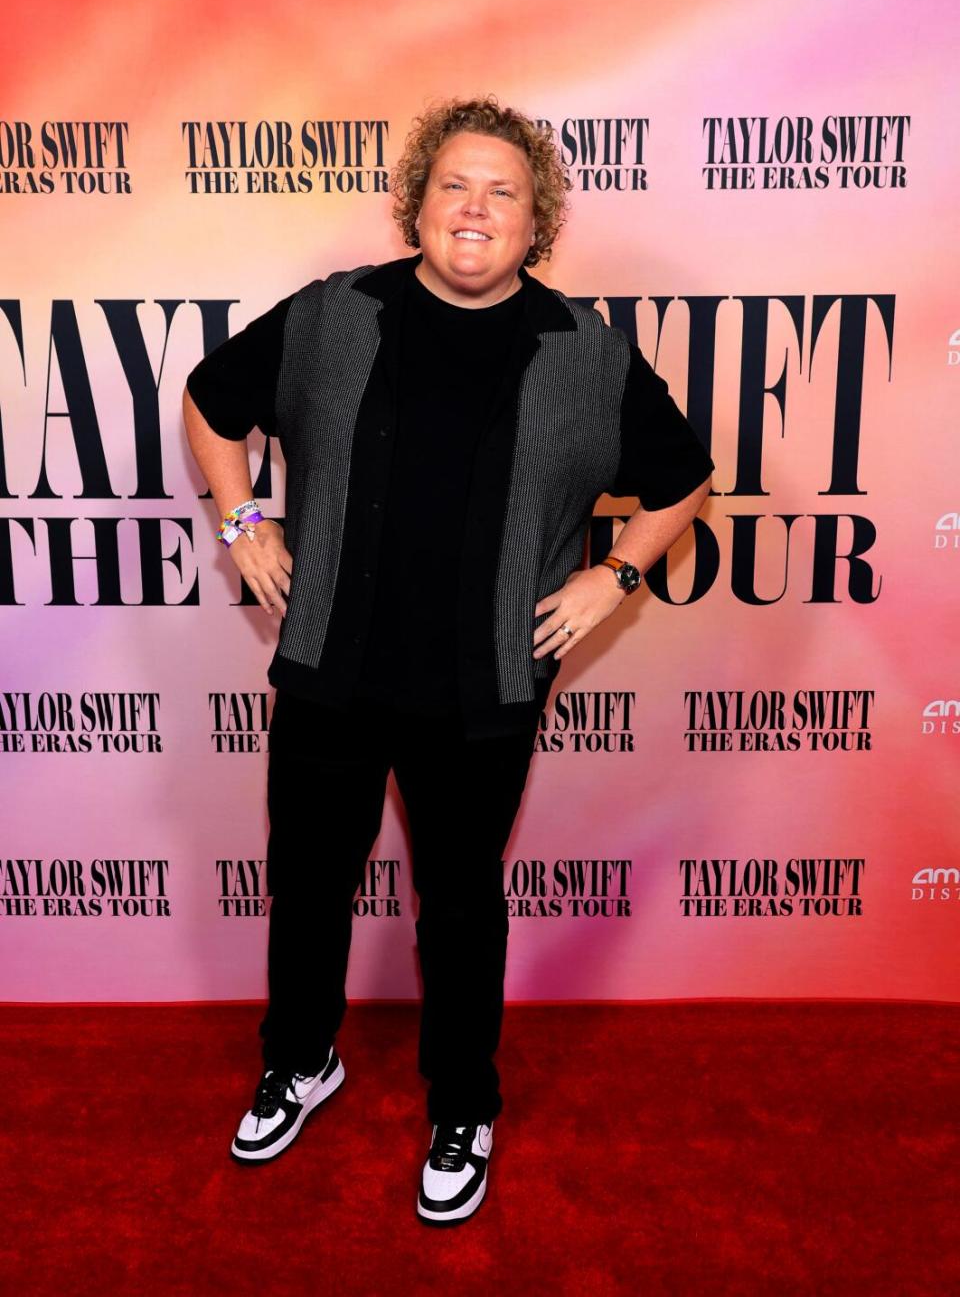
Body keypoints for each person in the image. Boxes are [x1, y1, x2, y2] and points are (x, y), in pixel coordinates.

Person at [182, 95, 715, 1226]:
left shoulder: (587, 354)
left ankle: (464, 1103)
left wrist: (612, 576)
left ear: (537, 222)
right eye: (454, 187)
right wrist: (243, 523)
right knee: (309, 882)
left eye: (503, 192)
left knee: (462, 903)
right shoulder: (335, 315)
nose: (475, 209)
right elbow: (210, 403)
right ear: (419, 203)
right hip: (332, 660)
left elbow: (685, 479)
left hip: (484, 685)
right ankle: (301, 1057)